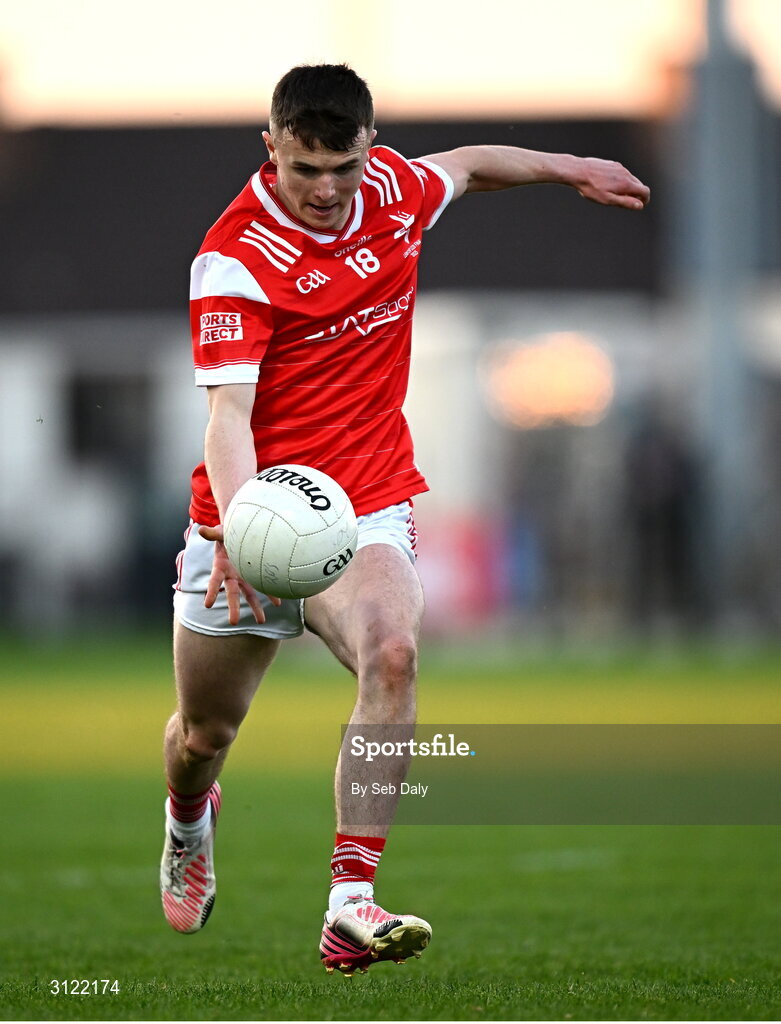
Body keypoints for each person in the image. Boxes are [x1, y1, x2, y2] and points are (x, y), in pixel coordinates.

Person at [160, 63, 650, 976]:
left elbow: (468, 164)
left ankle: (350, 903)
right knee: (203, 736)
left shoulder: (392, 191)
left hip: (366, 504)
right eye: (303, 168)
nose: (324, 189)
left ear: (368, 150)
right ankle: (190, 816)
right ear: (270, 149)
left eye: (341, 166)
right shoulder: (233, 256)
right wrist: (235, 530)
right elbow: (227, 417)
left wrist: (570, 164)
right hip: (250, 513)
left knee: (393, 652)